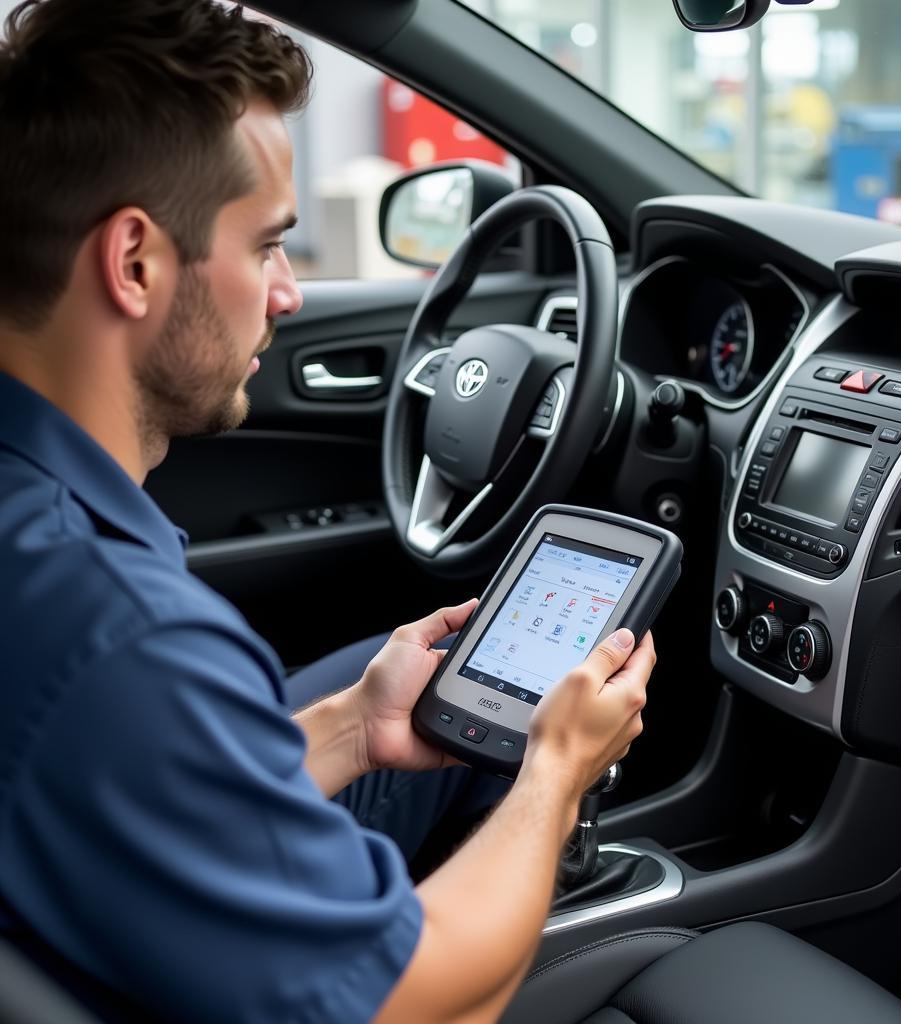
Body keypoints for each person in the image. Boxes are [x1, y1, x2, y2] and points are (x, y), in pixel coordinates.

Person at [0, 2, 656, 1022]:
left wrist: (353, 727)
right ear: (133, 262)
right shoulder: (121, 637)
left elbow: (156, 798)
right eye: (266, 246)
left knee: (379, 679)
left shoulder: (41, 532)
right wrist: (558, 771)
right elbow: (420, 1005)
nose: (290, 293)